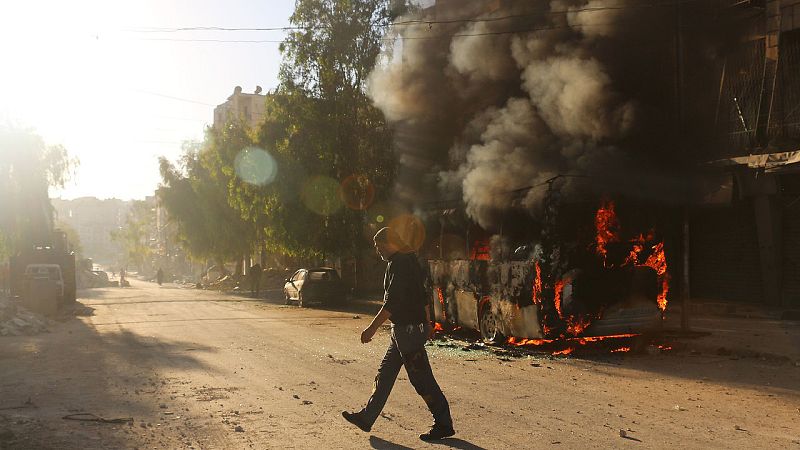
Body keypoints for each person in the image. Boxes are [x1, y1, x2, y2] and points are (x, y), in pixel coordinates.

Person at [342, 227, 454, 442]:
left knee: (421, 378)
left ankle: (444, 423)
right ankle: (367, 417)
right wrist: (428, 322)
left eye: (378, 246)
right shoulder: (409, 259)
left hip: (408, 330)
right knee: (385, 375)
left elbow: (393, 301)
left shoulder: (399, 263)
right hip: (404, 330)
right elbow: (422, 294)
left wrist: (372, 328)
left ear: (388, 242)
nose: (378, 252)